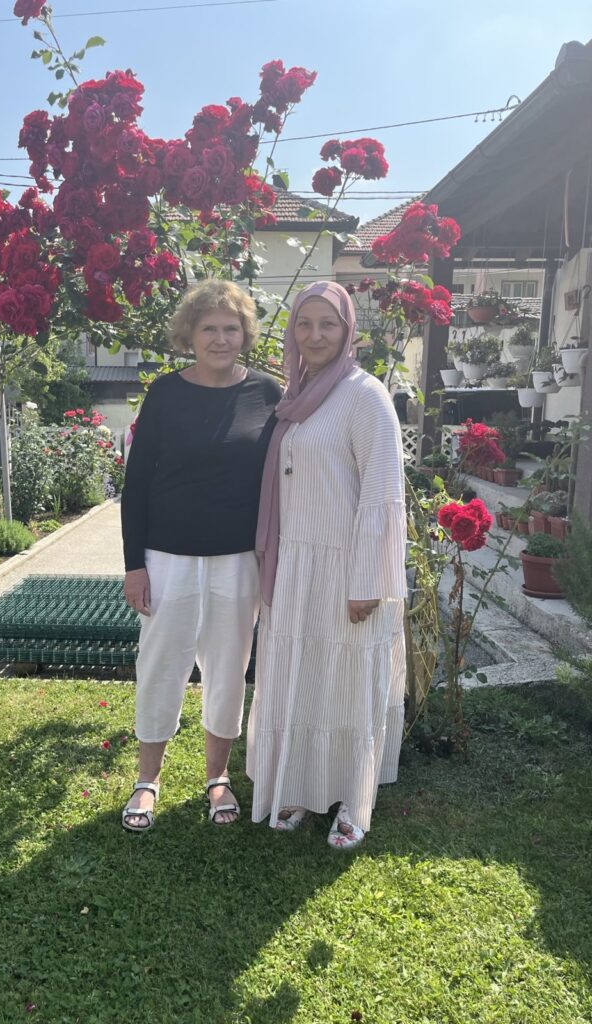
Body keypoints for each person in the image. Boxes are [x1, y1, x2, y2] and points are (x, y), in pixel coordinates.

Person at [248, 280, 407, 850]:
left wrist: (368, 582)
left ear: (348, 332)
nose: (314, 335)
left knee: (347, 683)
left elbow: (384, 495)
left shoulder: (365, 396)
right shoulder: (297, 393)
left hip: (346, 570)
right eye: (304, 324)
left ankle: (351, 800)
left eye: (328, 325)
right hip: (295, 564)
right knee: (298, 675)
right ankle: (296, 783)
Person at [120, 279, 282, 832]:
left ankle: (218, 778)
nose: (220, 338)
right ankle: (148, 780)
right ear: (189, 333)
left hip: (239, 559)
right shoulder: (165, 393)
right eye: (209, 327)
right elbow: (136, 483)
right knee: (160, 666)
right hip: (166, 557)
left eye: (230, 327)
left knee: (228, 670)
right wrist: (133, 564)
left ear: (245, 333)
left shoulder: (267, 394)